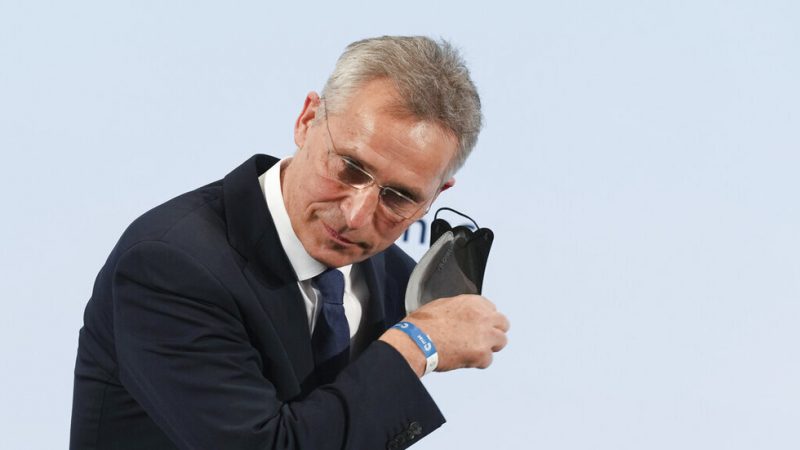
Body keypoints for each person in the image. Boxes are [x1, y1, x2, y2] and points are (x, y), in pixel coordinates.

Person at [70, 35, 509, 450]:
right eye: (350, 167)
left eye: (398, 197)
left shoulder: (398, 279)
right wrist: (415, 345)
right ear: (306, 121)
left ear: (436, 196)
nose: (355, 216)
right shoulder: (170, 265)